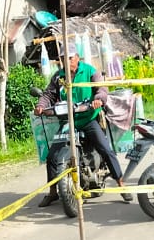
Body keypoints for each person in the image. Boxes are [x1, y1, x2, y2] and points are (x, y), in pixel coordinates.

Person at [34, 46, 132, 206]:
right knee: (52, 156)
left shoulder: (90, 71)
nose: (66, 61)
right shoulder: (59, 76)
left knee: (105, 149)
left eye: (70, 58)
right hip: (67, 121)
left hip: (87, 119)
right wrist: (41, 106)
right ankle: (52, 192)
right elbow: (48, 95)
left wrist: (99, 98)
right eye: (63, 58)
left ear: (77, 58)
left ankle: (121, 184)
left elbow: (101, 88)